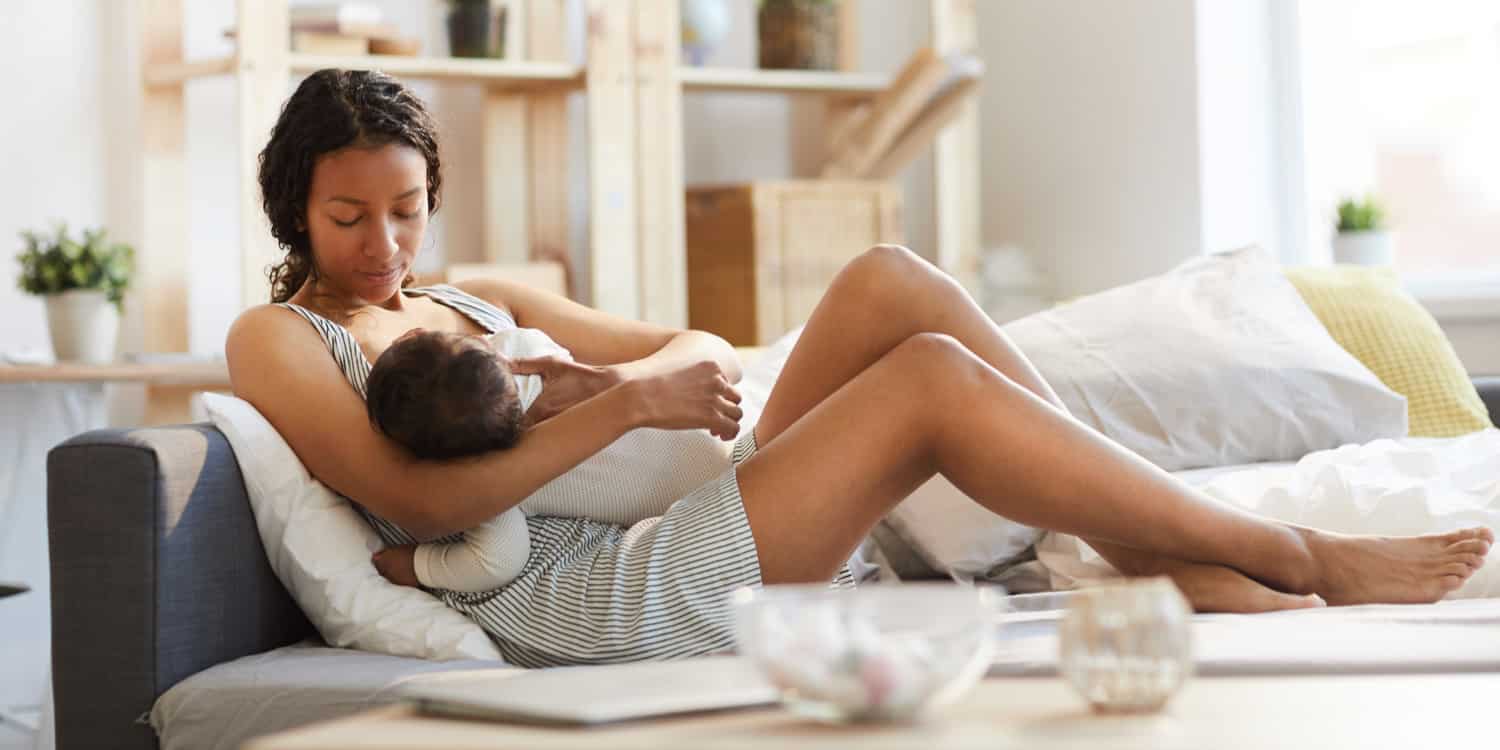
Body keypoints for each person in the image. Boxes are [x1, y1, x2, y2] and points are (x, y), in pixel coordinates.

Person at [226, 69, 1492, 668]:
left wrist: (640, 390)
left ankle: (1142, 546)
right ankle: (1289, 554)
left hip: (677, 488)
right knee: (930, 379)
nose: (387, 247)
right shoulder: (279, 339)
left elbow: (692, 346)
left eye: (406, 212)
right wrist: (628, 411)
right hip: (583, 588)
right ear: (296, 210)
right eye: (350, 219)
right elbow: (442, 505)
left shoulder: (478, 293)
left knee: (890, 280)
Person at [363, 325, 737, 592]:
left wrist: (417, 565)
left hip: (713, 504)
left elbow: (498, 561)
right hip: (730, 448)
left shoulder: (494, 484)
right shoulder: (529, 349)